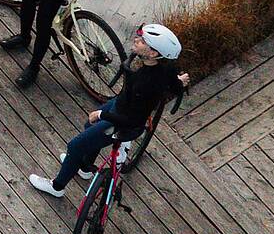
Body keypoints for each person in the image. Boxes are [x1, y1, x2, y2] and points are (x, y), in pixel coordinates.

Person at [29, 24, 189, 196]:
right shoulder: (166, 67)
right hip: (120, 104)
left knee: (75, 146)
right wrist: (180, 83)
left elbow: (133, 121)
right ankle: (84, 168)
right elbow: (174, 84)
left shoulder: (146, 84)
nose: (136, 39)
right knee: (88, 127)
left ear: (153, 53)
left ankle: (56, 187)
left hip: (123, 122)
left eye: (142, 41)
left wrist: (102, 114)